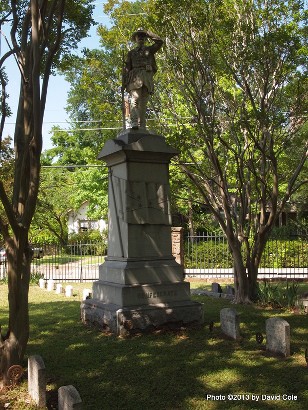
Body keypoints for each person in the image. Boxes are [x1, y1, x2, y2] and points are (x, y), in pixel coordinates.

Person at [123, 28, 163, 129]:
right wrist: (124, 83)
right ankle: (134, 123)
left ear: (145, 38)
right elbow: (127, 68)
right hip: (134, 78)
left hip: (146, 77)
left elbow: (159, 42)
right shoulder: (131, 53)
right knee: (135, 99)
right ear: (135, 39)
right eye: (138, 36)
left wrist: (148, 33)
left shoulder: (149, 50)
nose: (140, 37)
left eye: (142, 36)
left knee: (143, 103)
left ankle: (142, 126)